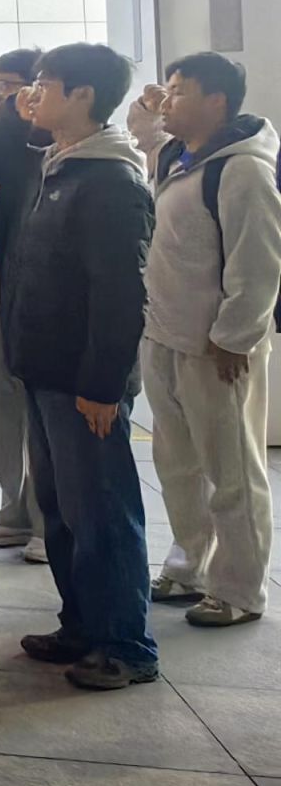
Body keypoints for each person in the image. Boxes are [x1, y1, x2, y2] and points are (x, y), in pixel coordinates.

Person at [1, 43, 158, 690]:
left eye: (46, 84)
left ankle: (126, 645)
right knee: (62, 510)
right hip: (45, 370)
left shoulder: (111, 181)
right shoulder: (59, 166)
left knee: (102, 513)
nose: (33, 94)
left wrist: (102, 384)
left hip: (82, 382)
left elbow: (121, 294)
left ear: (84, 96)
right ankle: (83, 625)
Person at [128, 52, 281, 628]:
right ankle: (189, 566)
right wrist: (150, 106)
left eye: (179, 91)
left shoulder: (242, 170)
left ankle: (239, 589)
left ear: (216, 101)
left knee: (232, 470)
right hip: (165, 334)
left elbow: (258, 262)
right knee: (177, 465)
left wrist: (235, 338)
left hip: (217, 348)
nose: (167, 101)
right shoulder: (179, 156)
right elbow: (144, 129)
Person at [0, 48, 51, 562]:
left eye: (12, 85)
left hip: (32, 301)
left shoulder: (51, 146)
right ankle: (13, 508)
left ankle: (46, 520)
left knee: (37, 418)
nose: (2, 95)